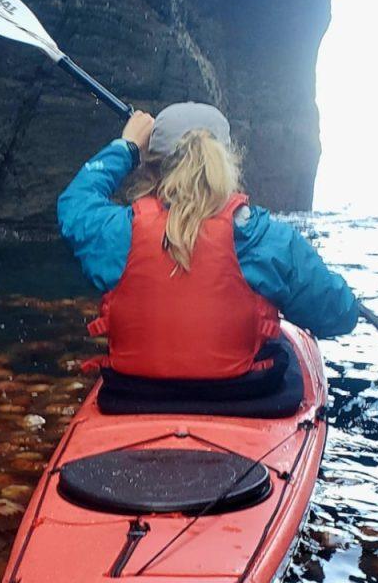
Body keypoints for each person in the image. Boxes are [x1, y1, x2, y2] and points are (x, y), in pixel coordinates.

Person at [58, 102, 358, 383]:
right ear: (225, 164)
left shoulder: (117, 234)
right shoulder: (267, 238)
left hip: (135, 394)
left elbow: (75, 203)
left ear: (150, 170)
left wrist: (127, 147)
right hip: (243, 398)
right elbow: (338, 315)